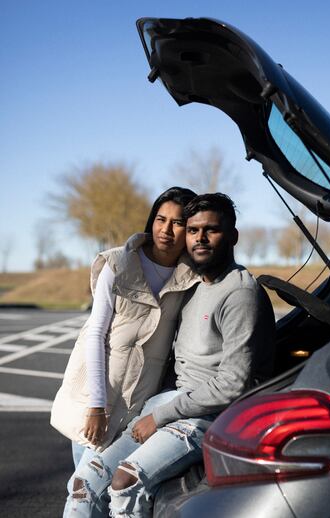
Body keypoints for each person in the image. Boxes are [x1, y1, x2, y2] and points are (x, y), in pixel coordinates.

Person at [63, 193, 277, 518]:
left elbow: (233, 384)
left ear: (232, 236)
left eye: (211, 230)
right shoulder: (191, 285)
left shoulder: (240, 293)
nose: (200, 238)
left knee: (125, 481)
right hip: (167, 405)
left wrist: (160, 416)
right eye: (192, 230)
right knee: (85, 481)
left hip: (206, 417)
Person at [51, 186, 199, 468]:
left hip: (138, 406)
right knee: (82, 490)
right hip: (95, 399)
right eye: (160, 218)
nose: (166, 229)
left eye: (178, 222)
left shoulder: (190, 279)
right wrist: (96, 405)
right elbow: (95, 333)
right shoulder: (118, 263)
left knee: (110, 492)